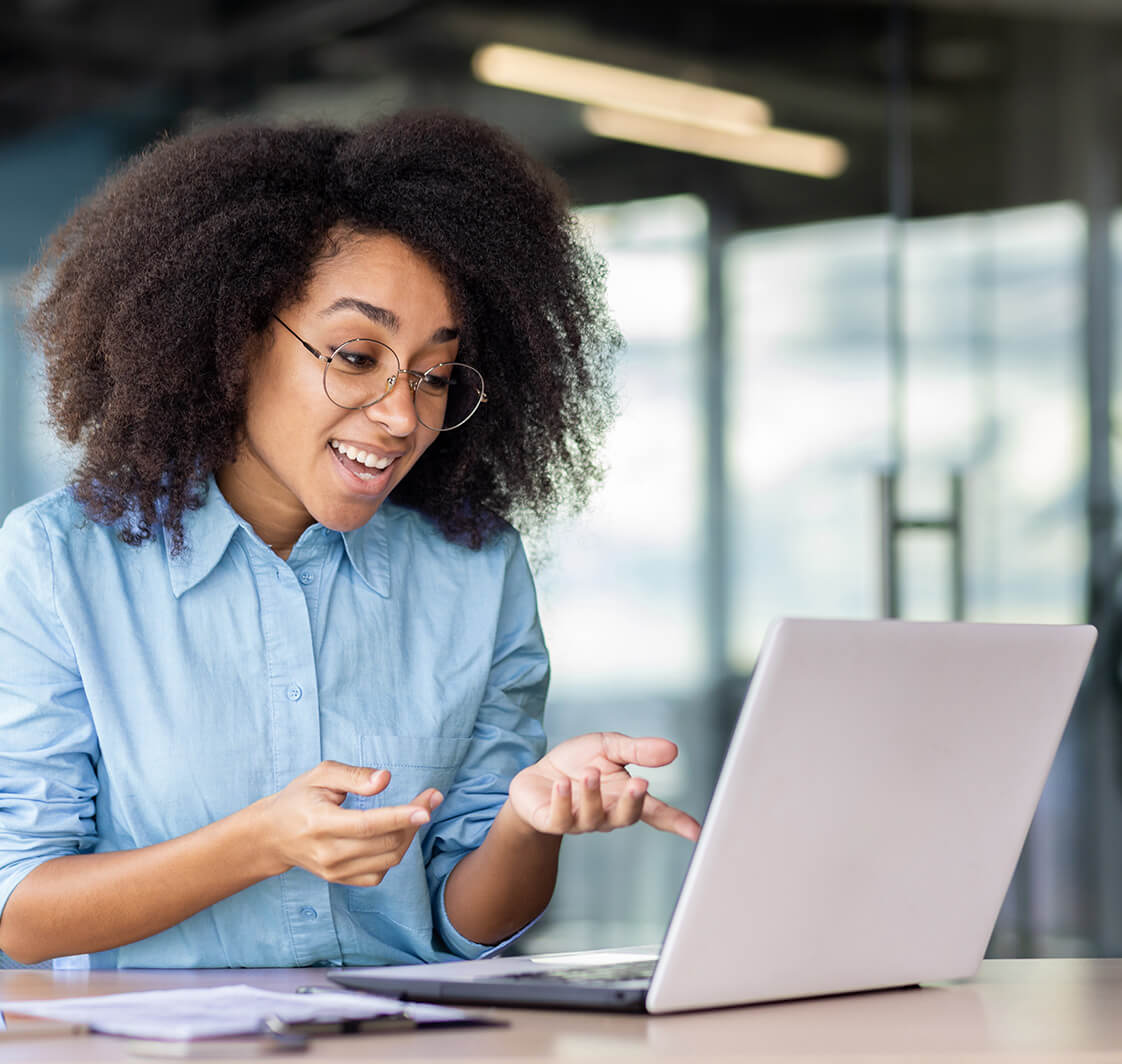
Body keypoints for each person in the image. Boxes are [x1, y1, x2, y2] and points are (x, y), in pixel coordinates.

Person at [0, 112, 700, 969]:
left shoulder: (475, 572)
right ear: (234, 334)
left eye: (435, 374)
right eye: (356, 355)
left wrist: (530, 821)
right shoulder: (58, 566)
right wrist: (262, 841)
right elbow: (18, 909)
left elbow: (464, 924)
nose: (404, 416)